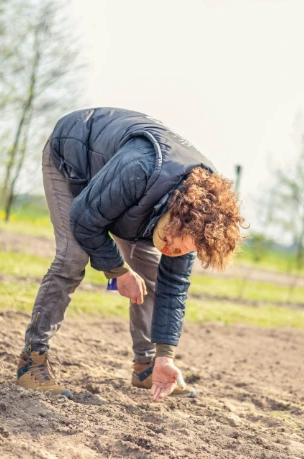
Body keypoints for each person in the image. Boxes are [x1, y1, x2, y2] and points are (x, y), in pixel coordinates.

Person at [16, 107, 245, 402]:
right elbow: (85, 219)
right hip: (73, 156)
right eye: (176, 244)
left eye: (183, 251)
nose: (174, 252)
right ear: (178, 216)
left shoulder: (196, 224)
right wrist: (117, 271)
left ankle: (147, 366)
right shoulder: (141, 169)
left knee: (151, 274)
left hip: (129, 198)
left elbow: (173, 288)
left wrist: (166, 354)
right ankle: (31, 361)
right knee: (72, 258)